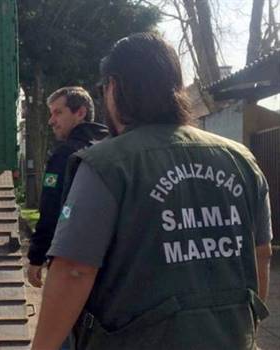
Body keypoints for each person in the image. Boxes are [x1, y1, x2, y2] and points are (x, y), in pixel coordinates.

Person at [32, 32, 273, 350]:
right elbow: (261, 254)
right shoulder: (240, 159)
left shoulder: (106, 163)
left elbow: (75, 270)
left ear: (114, 87)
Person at [27, 86, 108, 287]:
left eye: (58, 112)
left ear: (80, 113)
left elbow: (52, 207)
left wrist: (37, 256)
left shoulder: (65, 154)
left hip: (73, 258)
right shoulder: (112, 146)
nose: (51, 121)